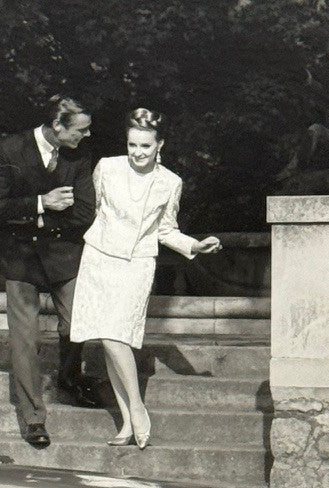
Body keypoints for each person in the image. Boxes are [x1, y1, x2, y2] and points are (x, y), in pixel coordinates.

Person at [70, 108, 221, 448]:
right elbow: (92, 210)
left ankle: (137, 409)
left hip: (137, 263)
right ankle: (127, 421)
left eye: (145, 146)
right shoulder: (107, 168)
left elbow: (166, 230)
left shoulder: (170, 182)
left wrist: (195, 245)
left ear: (159, 145)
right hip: (99, 258)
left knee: (116, 335)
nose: (138, 152)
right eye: (132, 145)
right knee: (109, 339)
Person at [0, 95, 98, 449]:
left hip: (65, 254)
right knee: (25, 340)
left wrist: (39, 219)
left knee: (77, 325)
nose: (87, 135)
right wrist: (41, 204)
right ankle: (33, 418)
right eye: (81, 130)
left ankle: (69, 380)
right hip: (20, 257)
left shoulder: (80, 155)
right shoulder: (7, 149)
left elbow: (85, 212)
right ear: (57, 126)